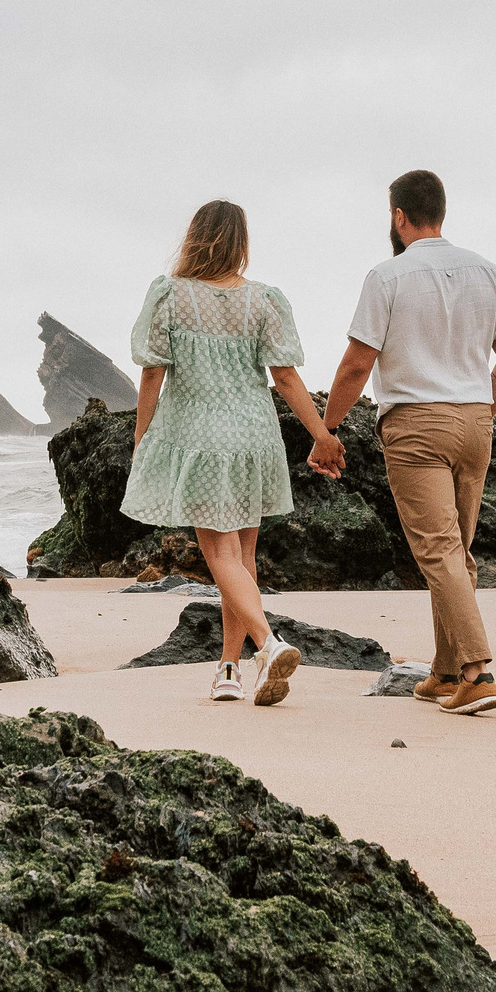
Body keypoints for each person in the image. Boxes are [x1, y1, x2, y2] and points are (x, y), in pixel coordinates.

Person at [316, 169, 496, 715]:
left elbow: (358, 362)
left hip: (415, 424)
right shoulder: (490, 272)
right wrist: (480, 408)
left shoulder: (387, 277)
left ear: (398, 216)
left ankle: (478, 674)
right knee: (457, 553)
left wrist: (328, 429)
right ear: (442, 212)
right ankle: (445, 671)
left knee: (438, 550)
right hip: (476, 422)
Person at [122, 199, 346, 707]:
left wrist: (142, 440)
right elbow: (285, 376)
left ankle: (267, 644)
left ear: (195, 237)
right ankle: (228, 670)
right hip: (254, 439)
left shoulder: (171, 296)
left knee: (219, 554)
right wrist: (322, 434)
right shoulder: (263, 300)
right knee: (241, 558)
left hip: (203, 441)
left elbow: (152, 372)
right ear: (241, 243)